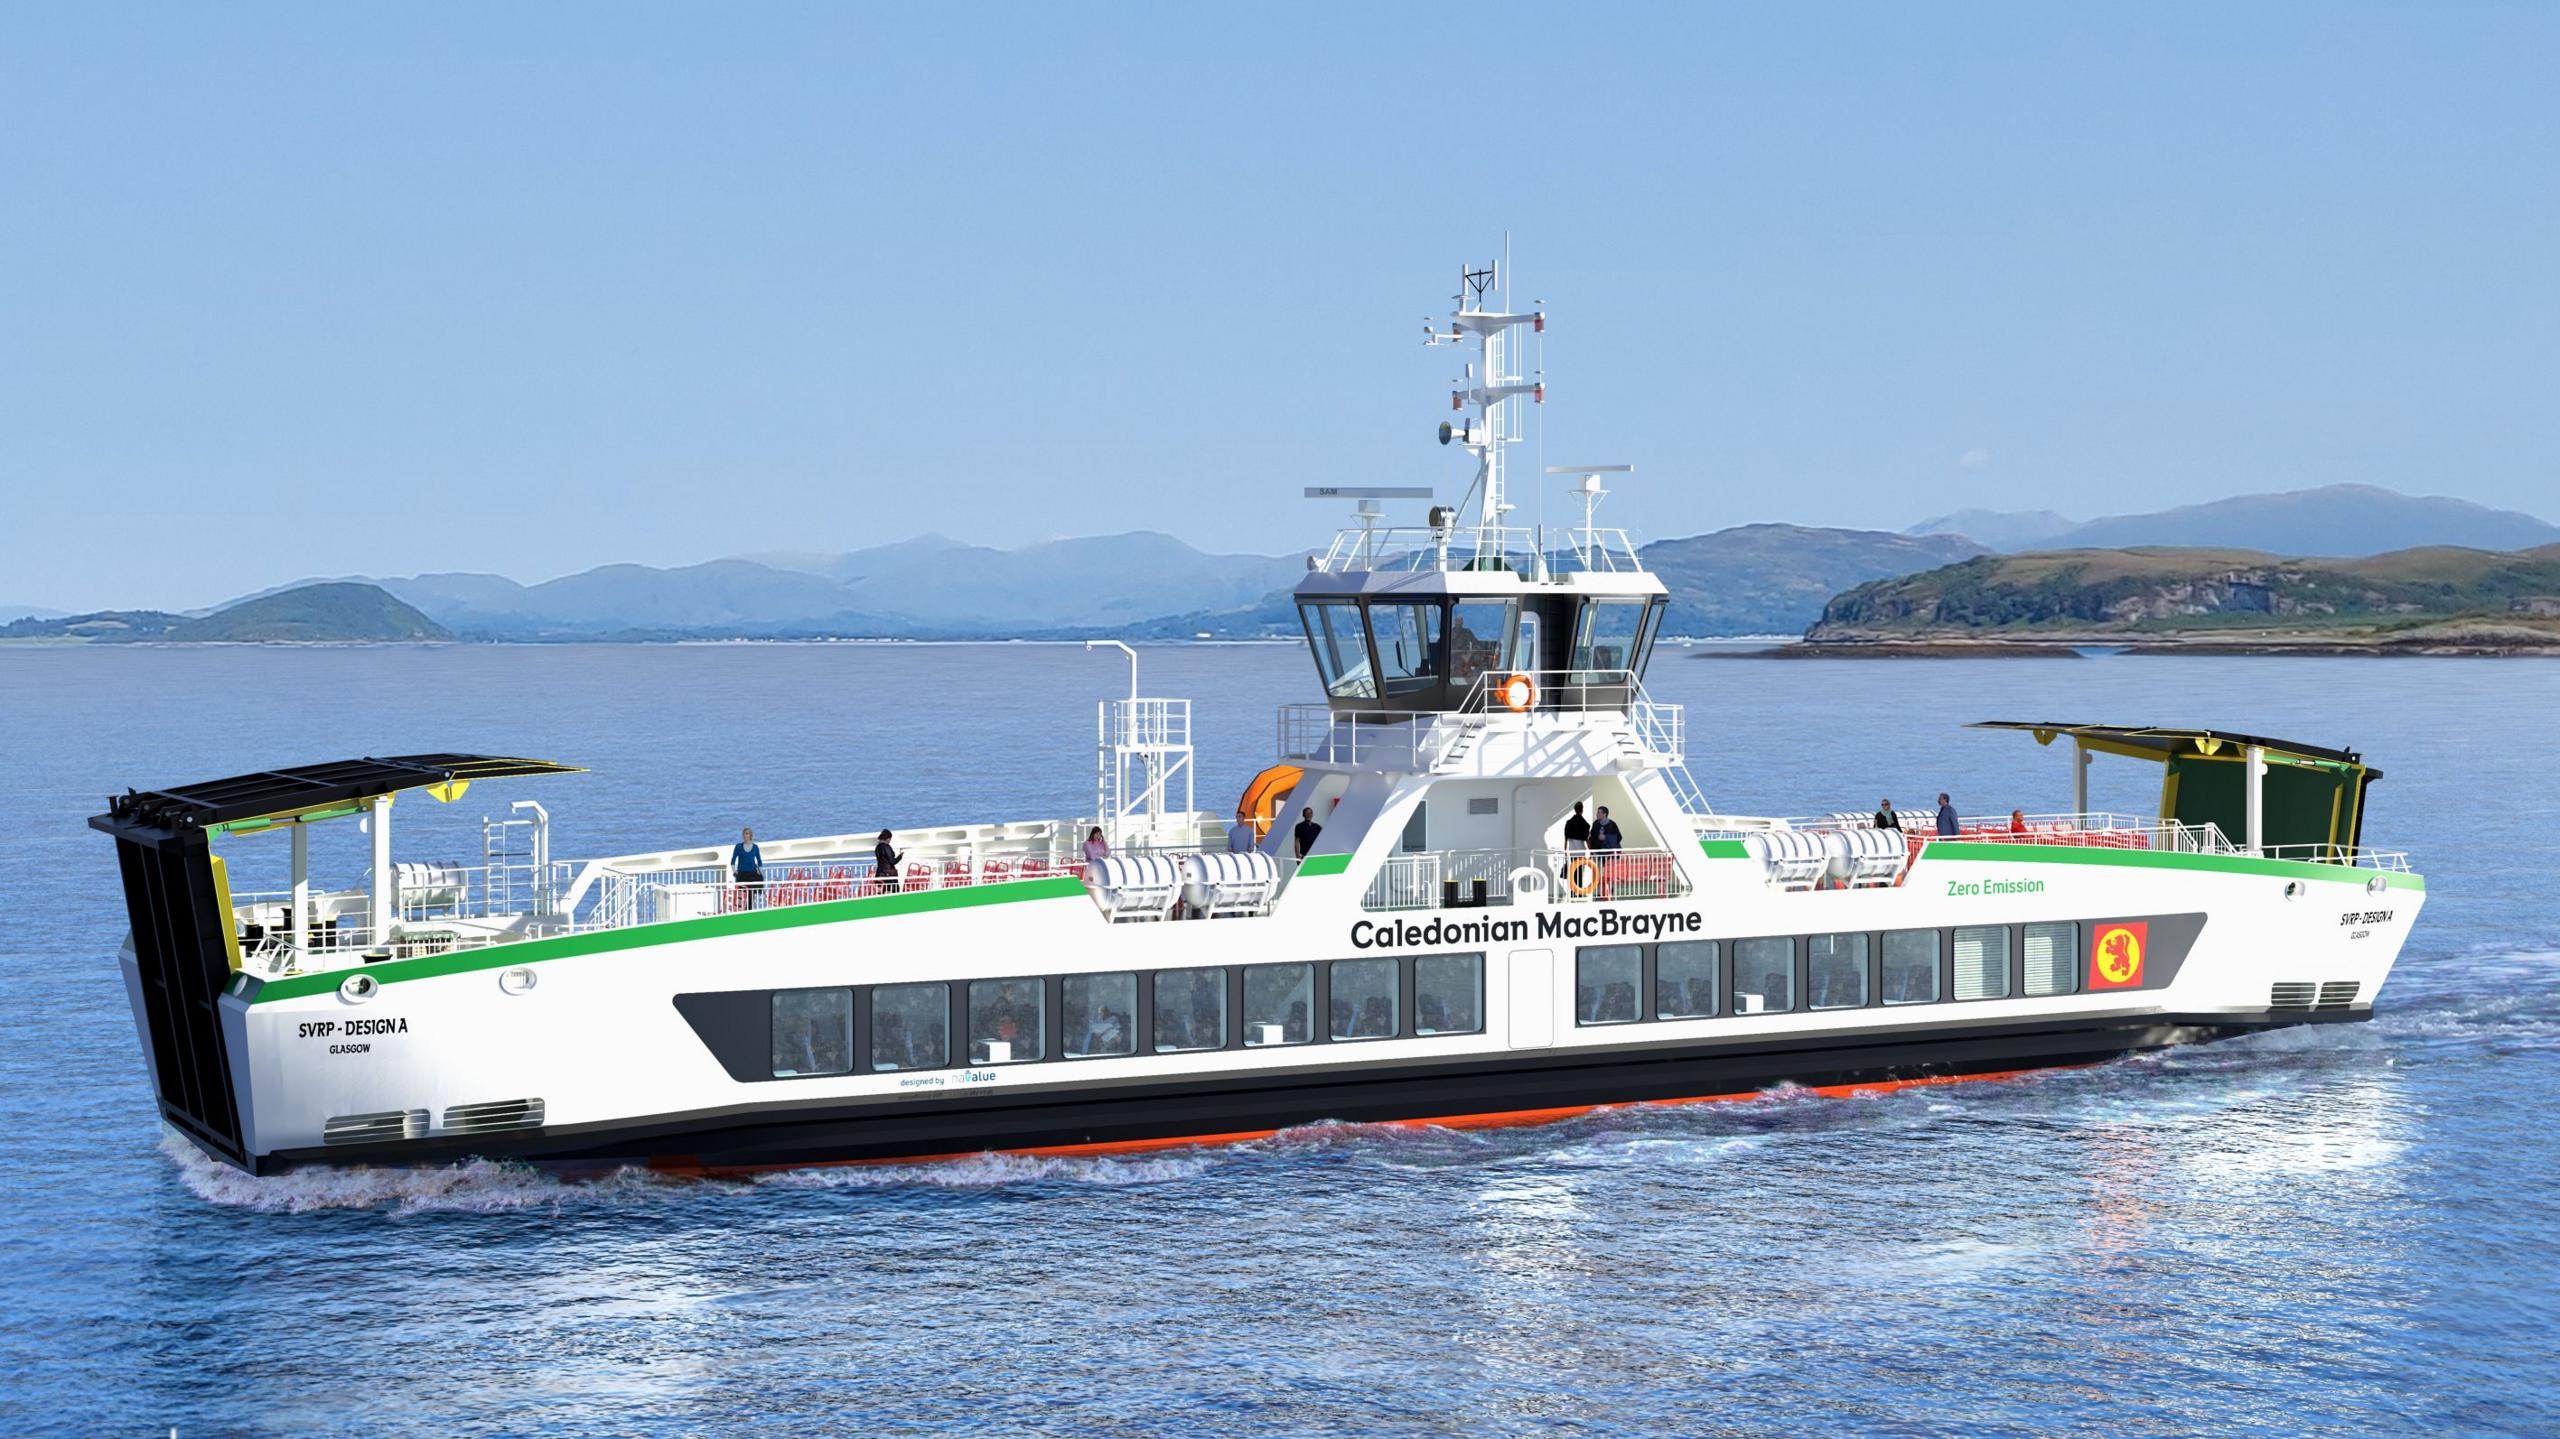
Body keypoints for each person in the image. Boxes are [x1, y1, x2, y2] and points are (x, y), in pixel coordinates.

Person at [730, 826, 764, 909]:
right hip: (742, 873)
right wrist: (734, 871)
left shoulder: (755, 847)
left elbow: (759, 861)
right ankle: (741, 908)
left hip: (752, 872)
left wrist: (760, 871)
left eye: (747, 834)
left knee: (753, 889)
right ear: (742, 835)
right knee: (743, 891)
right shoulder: (738, 846)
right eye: (744, 834)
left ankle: (749, 908)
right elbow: (733, 861)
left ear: (750, 835)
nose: (746, 835)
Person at [872, 829, 903, 893]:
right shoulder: (886, 847)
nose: (890, 841)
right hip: (888, 873)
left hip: (880, 872)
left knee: (885, 889)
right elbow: (892, 862)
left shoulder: (877, 847)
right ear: (887, 838)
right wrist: (900, 857)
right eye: (890, 839)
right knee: (895, 890)